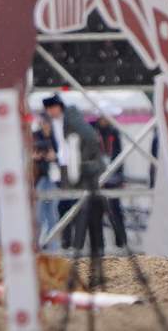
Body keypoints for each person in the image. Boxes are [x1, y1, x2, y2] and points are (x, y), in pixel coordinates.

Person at [42, 94, 104, 252]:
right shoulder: (58, 122)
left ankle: (84, 245)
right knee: (67, 207)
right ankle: (71, 243)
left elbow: (89, 140)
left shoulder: (72, 119)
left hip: (79, 170)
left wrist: (81, 161)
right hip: (67, 171)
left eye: (51, 109)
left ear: (58, 107)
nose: (50, 113)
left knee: (81, 208)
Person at [94, 114, 128, 249]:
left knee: (115, 210)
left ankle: (121, 242)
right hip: (99, 178)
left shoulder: (114, 132)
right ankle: (99, 245)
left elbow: (120, 155)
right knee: (97, 211)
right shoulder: (94, 132)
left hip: (113, 177)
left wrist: (120, 177)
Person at [32, 113, 60, 250]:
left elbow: (63, 156)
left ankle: (52, 246)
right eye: (43, 123)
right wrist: (35, 157)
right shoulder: (35, 136)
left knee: (51, 214)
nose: (45, 126)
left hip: (52, 178)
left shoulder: (57, 138)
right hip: (40, 178)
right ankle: (41, 243)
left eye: (47, 123)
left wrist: (55, 157)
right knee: (39, 214)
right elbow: (30, 154)